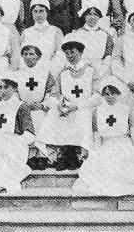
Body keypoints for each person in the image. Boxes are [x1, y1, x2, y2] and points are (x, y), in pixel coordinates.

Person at [73, 76, 134, 195]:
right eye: (106, 94)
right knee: (102, 164)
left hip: (123, 144)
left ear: (119, 94)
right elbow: (96, 134)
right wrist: (94, 152)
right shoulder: (97, 111)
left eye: (113, 93)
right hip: (106, 144)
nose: (110, 97)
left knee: (123, 162)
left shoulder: (127, 110)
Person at [36, 40, 100, 170]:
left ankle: (78, 156)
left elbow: (97, 96)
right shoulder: (63, 73)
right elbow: (55, 94)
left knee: (81, 116)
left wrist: (77, 106)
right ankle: (61, 155)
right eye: (67, 53)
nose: (70, 55)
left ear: (81, 53)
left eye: (73, 52)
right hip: (66, 108)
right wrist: (60, 105)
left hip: (83, 107)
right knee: (53, 116)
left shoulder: (91, 71)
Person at [16, 44, 57, 170]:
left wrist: (43, 105)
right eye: (26, 54)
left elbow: (53, 94)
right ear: (22, 56)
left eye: (32, 54)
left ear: (38, 57)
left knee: (40, 119)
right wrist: (23, 105)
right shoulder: (17, 74)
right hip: (23, 109)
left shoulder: (45, 74)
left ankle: (42, 156)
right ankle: (30, 157)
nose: (28, 57)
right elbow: (14, 94)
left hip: (40, 108)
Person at [21, 0, 64, 76]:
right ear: (32, 13)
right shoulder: (26, 32)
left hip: (50, 71)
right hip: (29, 72)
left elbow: (60, 55)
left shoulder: (56, 31)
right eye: (35, 11)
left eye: (41, 11)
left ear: (47, 12)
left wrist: (52, 72)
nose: (38, 15)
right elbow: (22, 55)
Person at [69, 7, 114, 79]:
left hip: (101, 68)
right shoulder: (76, 34)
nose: (92, 17)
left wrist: (101, 70)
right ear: (84, 16)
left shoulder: (105, 35)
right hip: (82, 67)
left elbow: (108, 54)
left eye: (95, 14)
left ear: (99, 17)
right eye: (89, 14)